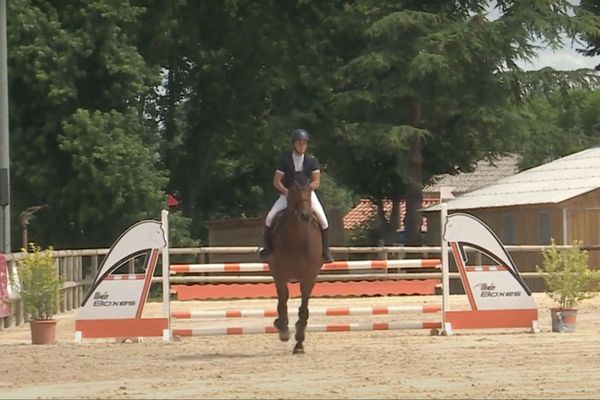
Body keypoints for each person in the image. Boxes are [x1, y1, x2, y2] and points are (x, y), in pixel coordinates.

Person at [259, 129, 334, 263]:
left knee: (323, 220)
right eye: (299, 143)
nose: (302, 146)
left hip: (307, 195)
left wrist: (308, 189)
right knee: (270, 217)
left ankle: (325, 252)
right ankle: (267, 248)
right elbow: (276, 181)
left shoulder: (311, 161)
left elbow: (316, 180)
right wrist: (286, 192)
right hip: (288, 194)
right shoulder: (285, 160)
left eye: (304, 143)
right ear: (294, 144)